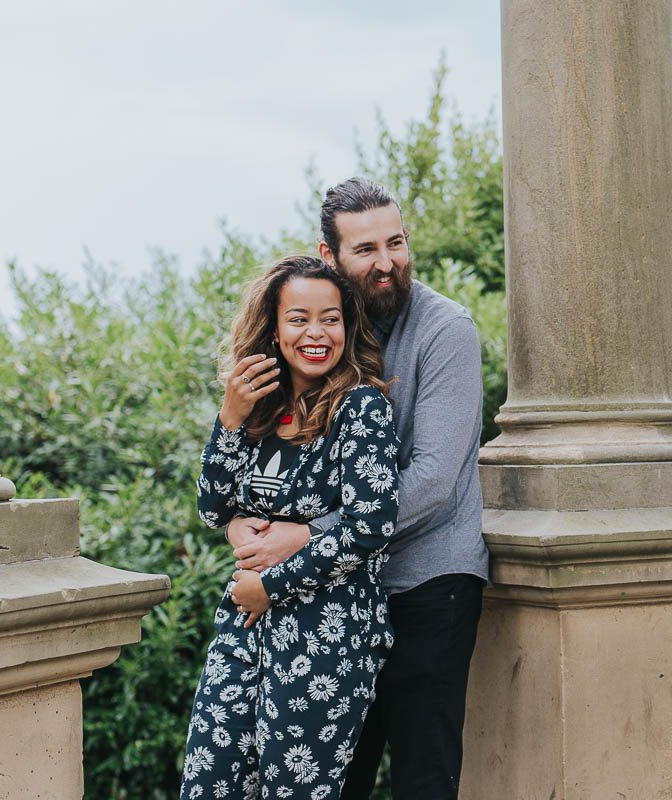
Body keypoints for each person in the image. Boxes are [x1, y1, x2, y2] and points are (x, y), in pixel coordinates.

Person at [227, 177, 489, 799]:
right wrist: (244, 520)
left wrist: (305, 536)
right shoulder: (322, 335)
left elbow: (431, 480)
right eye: (366, 249)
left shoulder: (446, 330)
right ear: (329, 256)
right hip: (337, 596)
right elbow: (269, 459)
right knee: (333, 782)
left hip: (428, 585)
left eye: (395, 243)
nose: (387, 263)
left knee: (423, 781)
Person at [180, 255, 399, 800]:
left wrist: (267, 587)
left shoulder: (361, 407)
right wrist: (228, 418)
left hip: (326, 638)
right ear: (274, 330)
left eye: (330, 318)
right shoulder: (255, 411)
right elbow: (212, 508)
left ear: (348, 328)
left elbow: (370, 527)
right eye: (298, 318)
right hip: (244, 632)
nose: (316, 333)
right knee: (209, 786)